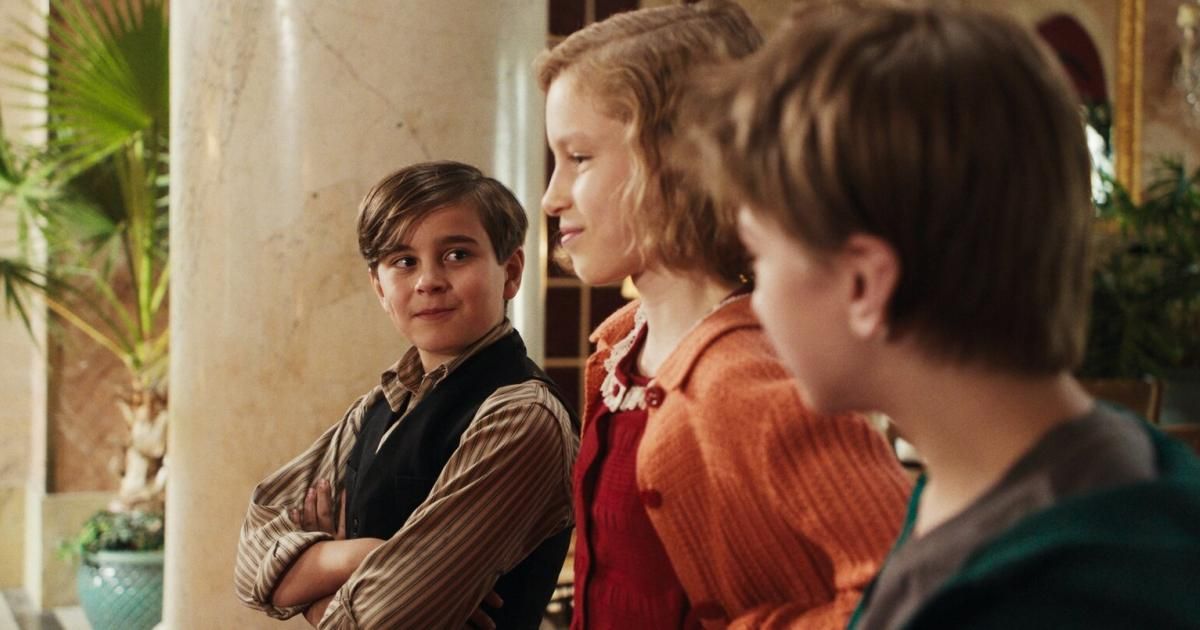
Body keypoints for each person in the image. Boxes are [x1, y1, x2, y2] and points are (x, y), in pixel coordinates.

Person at [685, 2, 1200, 628]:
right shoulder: (1005, 477)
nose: (757, 299)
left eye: (760, 258)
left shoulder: (1058, 594)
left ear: (864, 284)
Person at [536, 2, 911, 627]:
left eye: (579, 158)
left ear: (680, 160)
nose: (551, 197)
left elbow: (905, 590)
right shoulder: (618, 350)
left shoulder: (749, 382)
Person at [234, 161, 579, 629]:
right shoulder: (378, 407)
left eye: (457, 255)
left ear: (511, 272)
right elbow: (251, 561)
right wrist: (366, 556)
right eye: (404, 261)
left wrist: (314, 590)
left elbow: (379, 623)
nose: (429, 280)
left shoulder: (522, 417)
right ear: (380, 287)